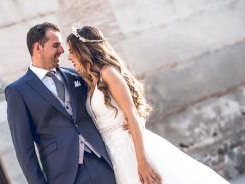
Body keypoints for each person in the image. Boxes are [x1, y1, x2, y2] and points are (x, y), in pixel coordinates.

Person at [67, 26, 230, 184]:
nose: (69, 58)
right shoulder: (90, 81)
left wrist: (142, 162)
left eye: (72, 52)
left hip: (130, 148)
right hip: (113, 154)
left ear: (84, 50)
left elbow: (132, 115)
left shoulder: (108, 73)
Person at [5, 22, 116, 184]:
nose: (62, 51)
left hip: (103, 162)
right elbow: (24, 150)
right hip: (64, 175)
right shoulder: (18, 91)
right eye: (56, 45)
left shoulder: (75, 75)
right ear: (38, 48)